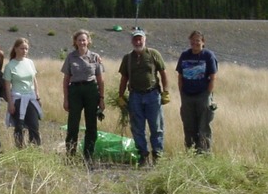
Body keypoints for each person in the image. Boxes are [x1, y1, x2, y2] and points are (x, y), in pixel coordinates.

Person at [117, 28, 169, 166]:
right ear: (132, 41)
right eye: (135, 39)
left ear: (145, 40)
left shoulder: (153, 54)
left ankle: (157, 155)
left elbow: (163, 73)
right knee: (137, 127)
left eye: (140, 39)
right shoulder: (127, 58)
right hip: (135, 96)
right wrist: (120, 96)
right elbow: (124, 78)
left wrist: (166, 92)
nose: (138, 41)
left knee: (156, 127)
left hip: (152, 95)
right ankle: (143, 155)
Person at [61, 29, 105, 164]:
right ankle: (70, 155)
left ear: (88, 41)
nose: (82, 42)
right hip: (75, 90)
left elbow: (100, 79)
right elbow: (66, 79)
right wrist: (66, 98)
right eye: (79, 40)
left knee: (91, 124)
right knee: (73, 124)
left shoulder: (95, 57)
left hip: (91, 90)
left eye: (84, 39)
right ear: (75, 42)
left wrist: (102, 98)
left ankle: (88, 155)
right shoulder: (70, 57)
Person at [175, 30, 219, 153]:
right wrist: (182, 93)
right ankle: (190, 152)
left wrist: (207, 94)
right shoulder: (185, 55)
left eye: (198, 41)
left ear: (203, 42)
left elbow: (213, 77)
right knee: (188, 126)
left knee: (203, 126)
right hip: (187, 95)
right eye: (193, 40)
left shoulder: (208, 56)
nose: (195, 43)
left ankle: (204, 153)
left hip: (202, 95)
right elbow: (180, 76)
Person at [4, 37, 42, 147]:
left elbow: (34, 79)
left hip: (30, 97)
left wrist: (37, 96)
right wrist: (10, 103)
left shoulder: (30, 62)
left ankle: (35, 148)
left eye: (26, 49)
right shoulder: (10, 66)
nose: (24, 51)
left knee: (34, 125)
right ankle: (20, 148)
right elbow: (7, 87)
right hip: (18, 98)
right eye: (22, 48)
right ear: (15, 49)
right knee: (19, 126)